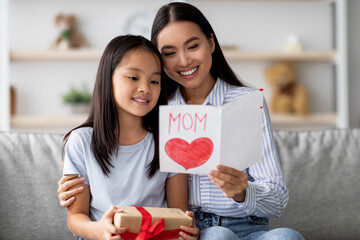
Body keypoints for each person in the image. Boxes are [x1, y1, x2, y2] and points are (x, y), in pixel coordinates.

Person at [58, 3, 304, 240]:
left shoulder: (247, 103)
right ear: (159, 59)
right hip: (198, 228)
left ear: (210, 42)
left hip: (248, 224)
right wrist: (77, 194)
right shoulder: (156, 108)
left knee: (288, 236)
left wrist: (243, 192)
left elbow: (277, 201)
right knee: (219, 236)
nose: (184, 61)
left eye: (192, 46)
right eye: (170, 53)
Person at [61, 34, 199, 240]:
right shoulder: (81, 141)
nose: (145, 88)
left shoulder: (169, 141)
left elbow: (179, 215)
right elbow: (76, 218)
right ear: (108, 79)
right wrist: (100, 231)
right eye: (133, 77)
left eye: (154, 81)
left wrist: (188, 232)